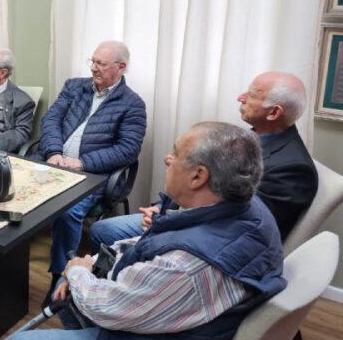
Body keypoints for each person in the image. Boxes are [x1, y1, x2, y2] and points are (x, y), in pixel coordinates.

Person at [4, 122, 286, 340]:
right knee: (70, 299)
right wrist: (88, 263)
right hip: (169, 328)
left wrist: (76, 271)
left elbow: (108, 308)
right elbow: (147, 242)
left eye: (176, 154)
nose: (167, 159)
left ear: (199, 176)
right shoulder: (245, 208)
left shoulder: (188, 265)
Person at [90, 71, 318, 250]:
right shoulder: (253, 136)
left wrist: (167, 220)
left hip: (205, 238)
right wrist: (162, 210)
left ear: (273, 113)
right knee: (102, 229)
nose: (240, 98)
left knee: (103, 231)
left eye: (251, 95)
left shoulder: (292, 169)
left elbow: (240, 226)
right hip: (180, 216)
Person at [39, 41, 146, 294]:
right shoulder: (74, 87)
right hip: (55, 163)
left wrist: (83, 163)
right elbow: (51, 119)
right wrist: (54, 152)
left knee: (66, 213)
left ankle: (60, 276)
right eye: (93, 61)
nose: (94, 68)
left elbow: (128, 149)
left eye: (101, 63)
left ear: (121, 67)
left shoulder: (133, 104)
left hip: (92, 175)